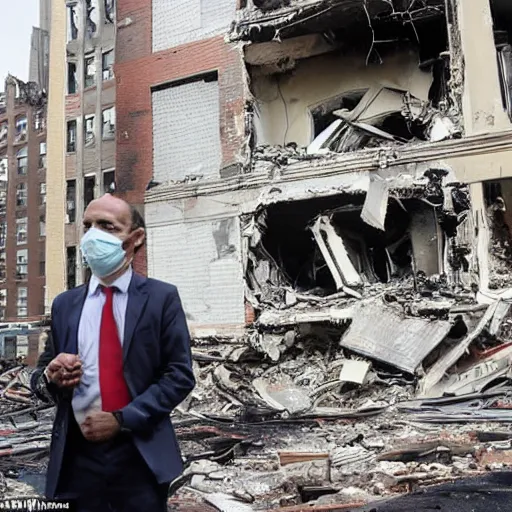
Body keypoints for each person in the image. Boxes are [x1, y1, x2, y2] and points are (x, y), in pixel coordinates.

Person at [30, 194, 195, 511]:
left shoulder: (161, 299)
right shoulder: (65, 305)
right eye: (88, 226)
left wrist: (121, 419)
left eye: (107, 226)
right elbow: (41, 377)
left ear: (135, 238)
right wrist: (53, 376)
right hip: (77, 460)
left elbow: (179, 375)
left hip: (139, 455)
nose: (93, 236)